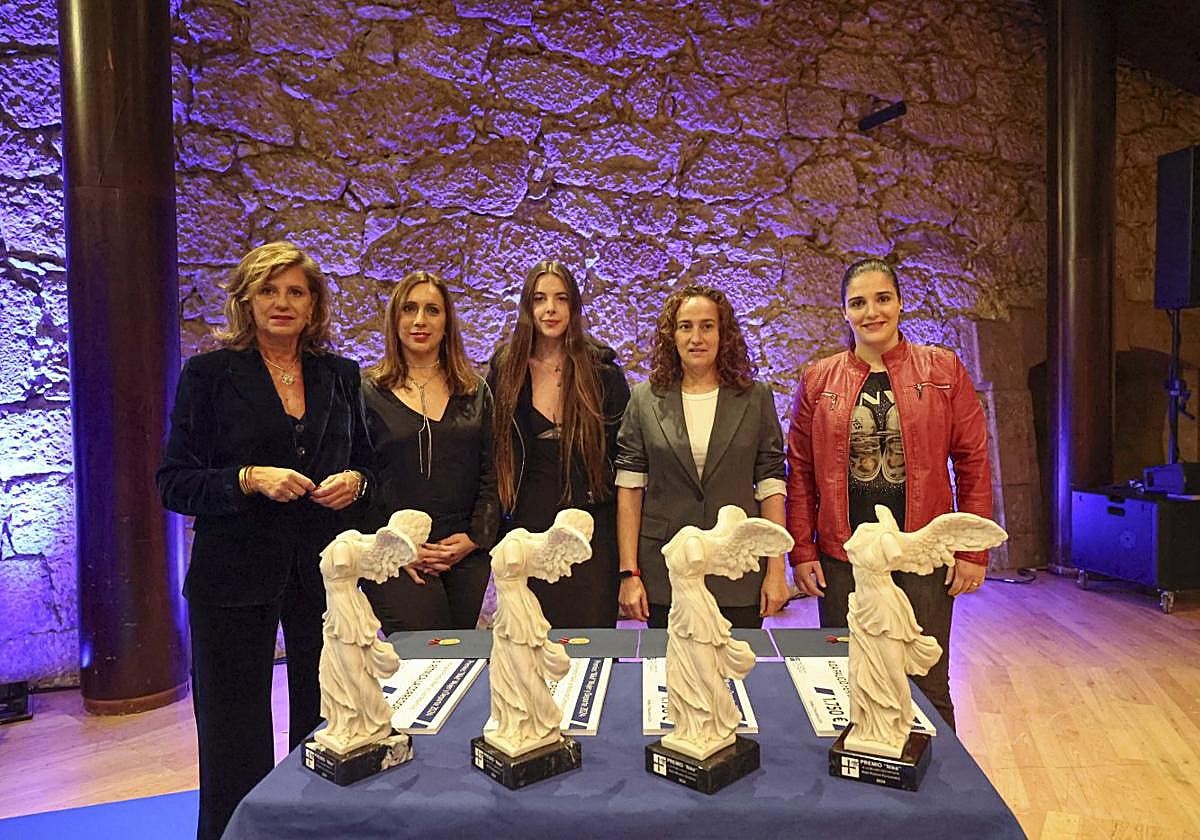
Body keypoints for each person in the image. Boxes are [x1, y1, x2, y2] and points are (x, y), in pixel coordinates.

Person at [157, 242, 372, 840]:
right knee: (233, 736)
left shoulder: (341, 375)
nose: (282, 302)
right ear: (246, 301)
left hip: (322, 580)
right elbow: (173, 482)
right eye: (268, 290)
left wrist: (356, 482)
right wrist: (247, 479)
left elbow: (371, 469)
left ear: (314, 305)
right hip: (232, 578)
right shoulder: (207, 376)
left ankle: (323, 829)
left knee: (330, 722)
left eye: (295, 291)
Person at [786, 257, 993, 729]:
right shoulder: (818, 379)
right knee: (846, 677)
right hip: (845, 556)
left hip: (922, 553)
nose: (871, 312)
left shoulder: (942, 369)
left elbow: (973, 460)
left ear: (900, 303)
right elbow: (800, 470)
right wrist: (802, 549)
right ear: (843, 312)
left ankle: (943, 795)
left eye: (882, 299)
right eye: (858, 303)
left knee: (926, 679)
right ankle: (856, 787)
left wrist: (972, 549)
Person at [615, 284, 789, 630]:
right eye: (685, 326)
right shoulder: (644, 400)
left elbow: (771, 486)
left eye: (707, 325)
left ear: (723, 334)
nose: (697, 337)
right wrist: (629, 573)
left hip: (738, 572)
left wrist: (776, 570)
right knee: (672, 677)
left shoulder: (755, 398)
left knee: (735, 679)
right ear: (671, 335)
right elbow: (630, 490)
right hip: (666, 572)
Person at [488, 259, 630, 628]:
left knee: (592, 641)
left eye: (560, 298)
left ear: (574, 306)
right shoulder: (506, 368)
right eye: (540, 299)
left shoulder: (603, 371)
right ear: (527, 307)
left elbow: (627, 456)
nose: (550, 309)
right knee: (531, 636)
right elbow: (491, 448)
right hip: (528, 514)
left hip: (592, 515)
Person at [358, 271, 499, 632]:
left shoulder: (475, 391)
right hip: (395, 555)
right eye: (410, 308)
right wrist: (393, 546)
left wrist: (474, 539)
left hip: (464, 554)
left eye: (432, 310)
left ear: (447, 321)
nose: (420, 320)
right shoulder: (366, 392)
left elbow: (492, 471)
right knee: (423, 662)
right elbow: (359, 477)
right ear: (395, 319)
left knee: (460, 663)